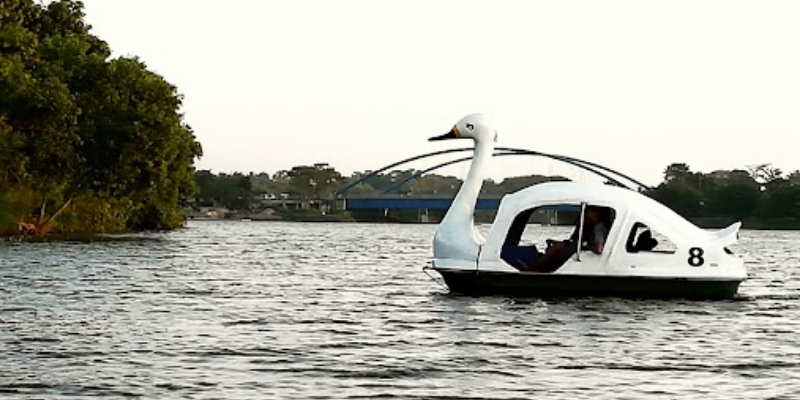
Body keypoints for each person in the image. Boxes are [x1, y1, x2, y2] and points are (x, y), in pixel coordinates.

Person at [522, 206, 610, 272]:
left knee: (555, 249)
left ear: (596, 213)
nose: (586, 216)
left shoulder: (599, 228)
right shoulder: (592, 227)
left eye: (588, 212)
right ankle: (542, 266)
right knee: (555, 246)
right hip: (577, 247)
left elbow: (598, 248)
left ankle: (534, 269)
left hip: (582, 250)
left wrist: (583, 245)